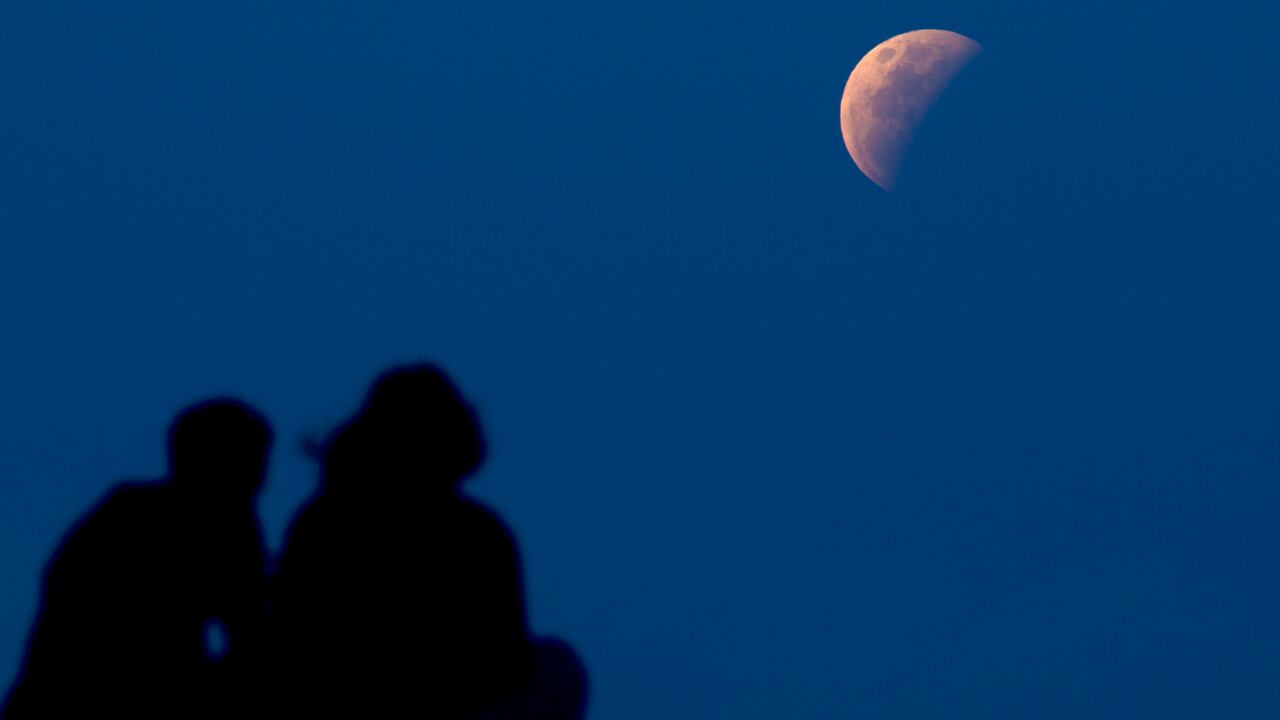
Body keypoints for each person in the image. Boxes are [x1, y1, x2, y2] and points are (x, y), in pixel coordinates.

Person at [274, 363, 586, 718]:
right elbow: (504, 664)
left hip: (332, 698)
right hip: (449, 703)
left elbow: (289, 636)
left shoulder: (319, 519)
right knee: (558, 664)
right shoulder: (477, 532)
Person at [2, 399, 273, 719]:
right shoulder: (156, 523)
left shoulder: (122, 515)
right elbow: (246, 629)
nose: (259, 481)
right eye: (250, 465)